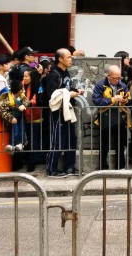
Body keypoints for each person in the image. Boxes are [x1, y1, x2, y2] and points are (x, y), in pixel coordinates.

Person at [44, 48, 83, 177]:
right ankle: (52, 169)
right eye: (68, 57)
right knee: (57, 140)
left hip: (67, 111)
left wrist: (75, 91)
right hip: (57, 112)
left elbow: (65, 88)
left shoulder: (66, 73)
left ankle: (69, 167)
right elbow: (52, 95)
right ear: (60, 59)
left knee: (71, 139)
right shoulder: (53, 75)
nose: (71, 59)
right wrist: (69, 94)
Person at [92, 65, 130, 170]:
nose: (117, 80)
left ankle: (120, 167)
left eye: (119, 78)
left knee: (120, 144)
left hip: (120, 117)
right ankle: (103, 167)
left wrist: (125, 100)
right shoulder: (100, 85)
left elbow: (128, 97)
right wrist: (112, 99)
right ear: (108, 76)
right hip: (105, 116)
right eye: (115, 78)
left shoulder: (122, 85)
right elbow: (97, 101)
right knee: (104, 144)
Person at [0, 80, 31, 158]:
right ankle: (11, 145)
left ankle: (21, 143)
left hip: (20, 117)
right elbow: (1, 109)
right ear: (20, 90)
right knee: (15, 131)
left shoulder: (21, 96)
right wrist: (10, 118)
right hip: (13, 118)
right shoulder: (7, 99)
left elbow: (27, 101)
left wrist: (24, 105)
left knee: (22, 129)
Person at [22, 69, 44, 172]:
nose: (24, 79)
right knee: (28, 141)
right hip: (25, 117)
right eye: (24, 76)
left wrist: (25, 103)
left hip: (35, 118)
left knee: (33, 141)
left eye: (26, 76)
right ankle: (28, 160)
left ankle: (32, 163)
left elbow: (35, 101)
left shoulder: (38, 86)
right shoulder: (23, 86)